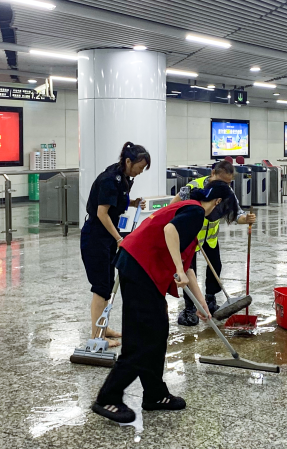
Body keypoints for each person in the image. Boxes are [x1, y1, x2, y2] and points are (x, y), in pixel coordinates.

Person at [92, 181, 239, 423]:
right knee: (144, 338)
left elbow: (189, 269)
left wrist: (202, 306)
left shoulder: (189, 212)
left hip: (139, 269)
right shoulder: (196, 211)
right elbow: (169, 231)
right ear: (218, 203)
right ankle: (108, 397)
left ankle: (154, 394)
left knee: (157, 333)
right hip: (140, 270)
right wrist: (179, 269)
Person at [169, 161, 256, 326]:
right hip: (190, 238)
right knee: (189, 272)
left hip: (209, 238)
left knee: (216, 266)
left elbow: (237, 213)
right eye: (221, 180)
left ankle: (210, 299)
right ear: (213, 173)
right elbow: (173, 207)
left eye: (228, 182)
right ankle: (189, 308)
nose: (225, 185)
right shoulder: (194, 186)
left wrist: (247, 219)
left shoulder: (226, 191)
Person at [80, 142, 150, 348]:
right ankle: (97, 336)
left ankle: (104, 327)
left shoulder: (123, 177)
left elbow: (114, 203)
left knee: (108, 284)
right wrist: (119, 239)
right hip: (95, 237)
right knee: (101, 287)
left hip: (107, 237)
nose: (140, 172)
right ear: (128, 161)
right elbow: (102, 213)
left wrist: (133, 203)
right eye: (139, 167)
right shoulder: (110, 179)